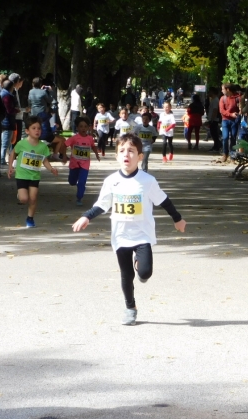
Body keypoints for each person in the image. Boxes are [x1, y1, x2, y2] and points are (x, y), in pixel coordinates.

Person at [71, 133, 187, 326]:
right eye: (122, 151)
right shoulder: (111, 181)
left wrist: (178, 219)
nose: (127, 154)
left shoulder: (147, 181)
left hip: (142, 234)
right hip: (121, 235)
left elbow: (164, 201)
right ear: (116, 156)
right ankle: (130, 308)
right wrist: (86, 216)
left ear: (140, 157)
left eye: (131, 151)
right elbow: (102, 204)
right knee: (126, 275)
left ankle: (139, 265)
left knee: (145, 273)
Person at [7, 115, 59, 228]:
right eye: (34, 128)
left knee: (33, 198)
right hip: (22, 175)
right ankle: (20, 195)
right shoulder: (22, 143)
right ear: (27, 131)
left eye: (39, 128)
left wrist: (51, 169)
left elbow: (44, 160)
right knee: (24, 199)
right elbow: (13, 153)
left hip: (34, 176)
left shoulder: (42, 146)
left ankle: (30, 218)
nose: (37, 131)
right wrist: (10, 167)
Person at [64, 116, 100, 206]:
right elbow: (64, 145)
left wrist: (96, 154)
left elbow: (93, 146)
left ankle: (79, 197)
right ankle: (72, 180)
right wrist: (64, 156)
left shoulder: (90, 138)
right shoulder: (74, 138)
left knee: (82, 182)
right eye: (81, 126)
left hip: (85, 164)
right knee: (72, 182)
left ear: (88, 128)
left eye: (85, 126)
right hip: (74, 164)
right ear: (77, 128)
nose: (83, 128)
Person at [219, 83, 240, 163]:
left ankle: (232, 155)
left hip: (234, 121)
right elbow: (222, 111)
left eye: (223, 89)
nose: (222, 91)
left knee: (233, 138)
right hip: (225, 120)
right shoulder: (222, 98)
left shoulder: (237, 97)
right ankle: (225, 154)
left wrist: (238, 113)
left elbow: (241, 107)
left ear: (227, 89)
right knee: (225, 137)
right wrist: (231, 114)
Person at [0, 79, 17, 166]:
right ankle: (1, 159)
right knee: (5, 142)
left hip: (3, 121)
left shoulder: (2, 93)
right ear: (11, 87)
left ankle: (3, 158)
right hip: (7, 122)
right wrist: (16, 110)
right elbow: (9, 110)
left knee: (5, 141)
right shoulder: (7, 96)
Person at [9, 73, 25, 145]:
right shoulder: (12, 92)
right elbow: (15, 107)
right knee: (15, 138)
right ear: (18, 82)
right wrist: (24, 110)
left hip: (17, 117)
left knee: (16, 138)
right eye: (20, 82)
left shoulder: (16, 91)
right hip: (15, 118)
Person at [207, 87, 222, 153]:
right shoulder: (213, 100)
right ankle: (215, 146)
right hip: (212, 119)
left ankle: (217, 146)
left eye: (210, 92)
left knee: (214, 133)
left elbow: (215, 110)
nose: (209, 93)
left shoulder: (216, 100)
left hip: (214, 120)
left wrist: (212, 119)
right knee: (213, 133)